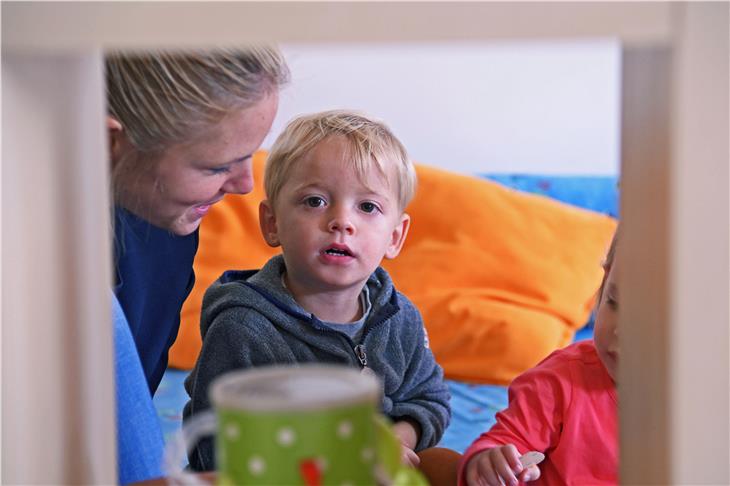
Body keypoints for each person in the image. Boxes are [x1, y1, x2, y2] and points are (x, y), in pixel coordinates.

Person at [183, 110, 451, 472]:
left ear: (395, 237)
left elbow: (429, 398)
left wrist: (397, 440)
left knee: (448, 466)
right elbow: (213, 450)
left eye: (368, 207)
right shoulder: (243, 330)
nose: (342, 221)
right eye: (315, 201)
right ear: (272, 223)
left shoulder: (398, 317)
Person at [106, 47, 290, 484]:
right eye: (217, 166)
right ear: (109, 142)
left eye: (251, 155)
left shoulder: (167, 225)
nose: (247, 185)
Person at [459, 230, 619, 486]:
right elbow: (504, 444)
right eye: (614, 302)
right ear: (606, 276)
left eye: (649, 318)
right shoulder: (560, 380)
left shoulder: (700, 409)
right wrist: (488, 465)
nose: (620, 330)